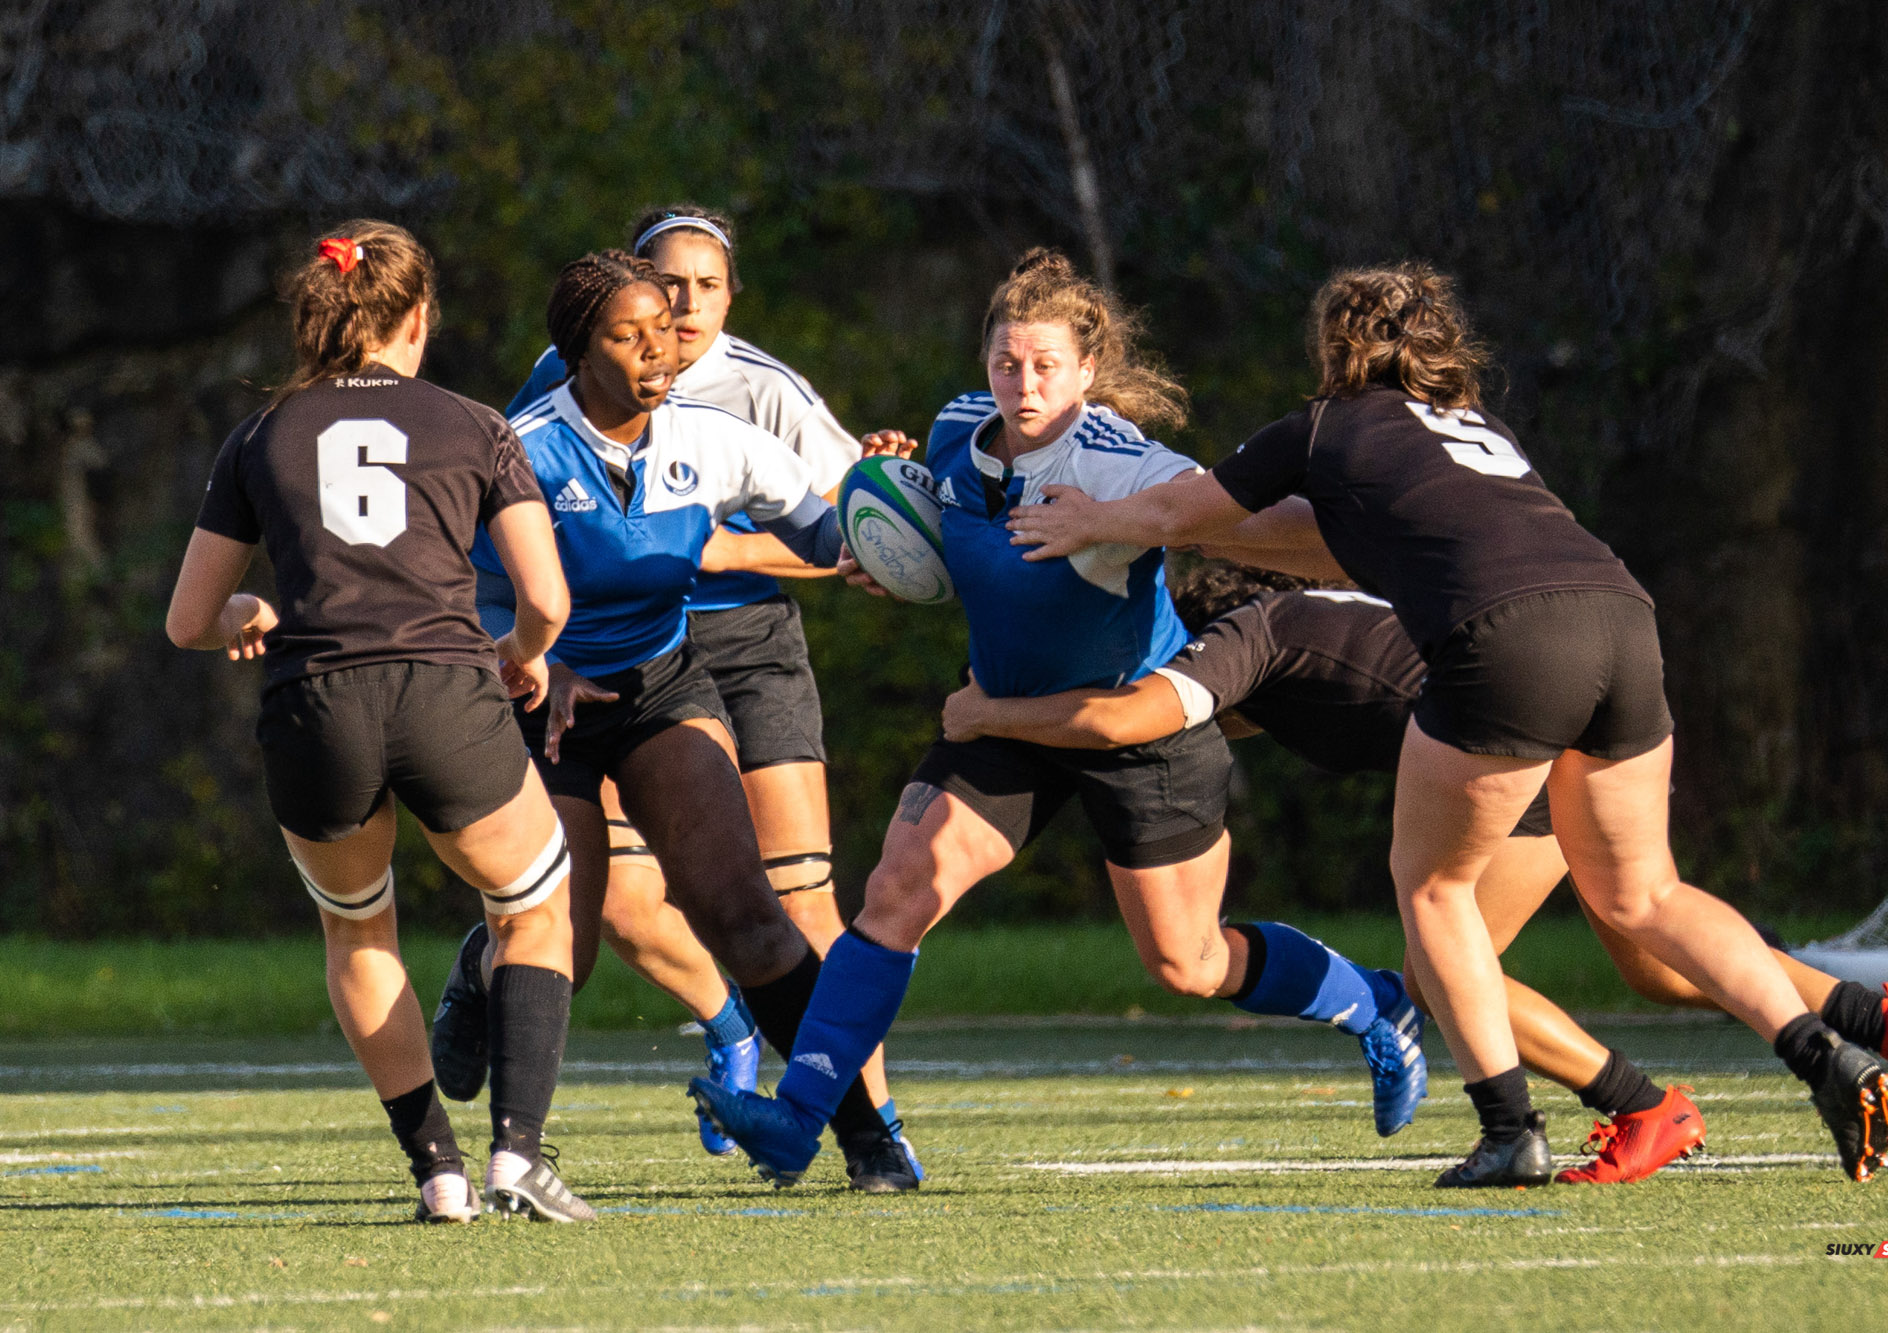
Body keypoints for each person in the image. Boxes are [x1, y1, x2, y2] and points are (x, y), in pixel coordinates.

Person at [1003, 261, 1888, 1186]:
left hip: (1508, 641)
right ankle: (1824, 1054)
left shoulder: (1324, 426)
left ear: (1334, 346)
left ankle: (1511, 1129)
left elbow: (1176, 510)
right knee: (1647, 897)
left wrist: (1089, 521)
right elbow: (1336, 534)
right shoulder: (1481, 428)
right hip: (1621, 612)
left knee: (1433, 893)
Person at [689, 249, 1430, 1188]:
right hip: (1000, 715)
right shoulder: (957, 429)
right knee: (894, 891)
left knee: (1188, 960)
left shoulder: (1126, 463)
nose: (1023, 383)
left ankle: (1372, 1003)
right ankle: (801, 1119)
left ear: (1088, 369)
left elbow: (1279, 525)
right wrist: (894, 551)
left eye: (1046, 366)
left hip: (1131, 724)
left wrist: (1126, 525)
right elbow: (962, 552)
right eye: (1007, 362)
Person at [945, 560, 1888, 1176]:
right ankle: (1882, 1014)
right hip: (1576, 704)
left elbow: (1143, 716)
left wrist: (994, 714)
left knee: (1445, 970)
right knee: (1654, 954)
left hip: (1511, 748)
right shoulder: (1314, 613)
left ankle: (1638, 1104)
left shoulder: (1245, 636)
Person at [441, 247, 920, 1191]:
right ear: (577, 349)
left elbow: (828, 534)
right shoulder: (521, 448)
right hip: (546, 706)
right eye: (630, 336)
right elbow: (452, 589)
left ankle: (868, 1138)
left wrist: (882, 507)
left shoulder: (715, 436)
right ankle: (490, 1035)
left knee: (748, 917)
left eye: (665, 332)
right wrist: (544, 657)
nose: (659, 353)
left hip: (663, 685)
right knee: (561, 947)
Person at [165, 221, 592, 1222]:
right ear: (417, 317)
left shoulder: (261, 432)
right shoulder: (475, 424)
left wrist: (249, 613)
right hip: (445, 689)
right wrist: (522, 656)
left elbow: (189, 620)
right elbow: (547, 599)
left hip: (316, 707)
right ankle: (517, 1154)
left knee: (359, 930)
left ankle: (437, 1168)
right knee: (531, 905)